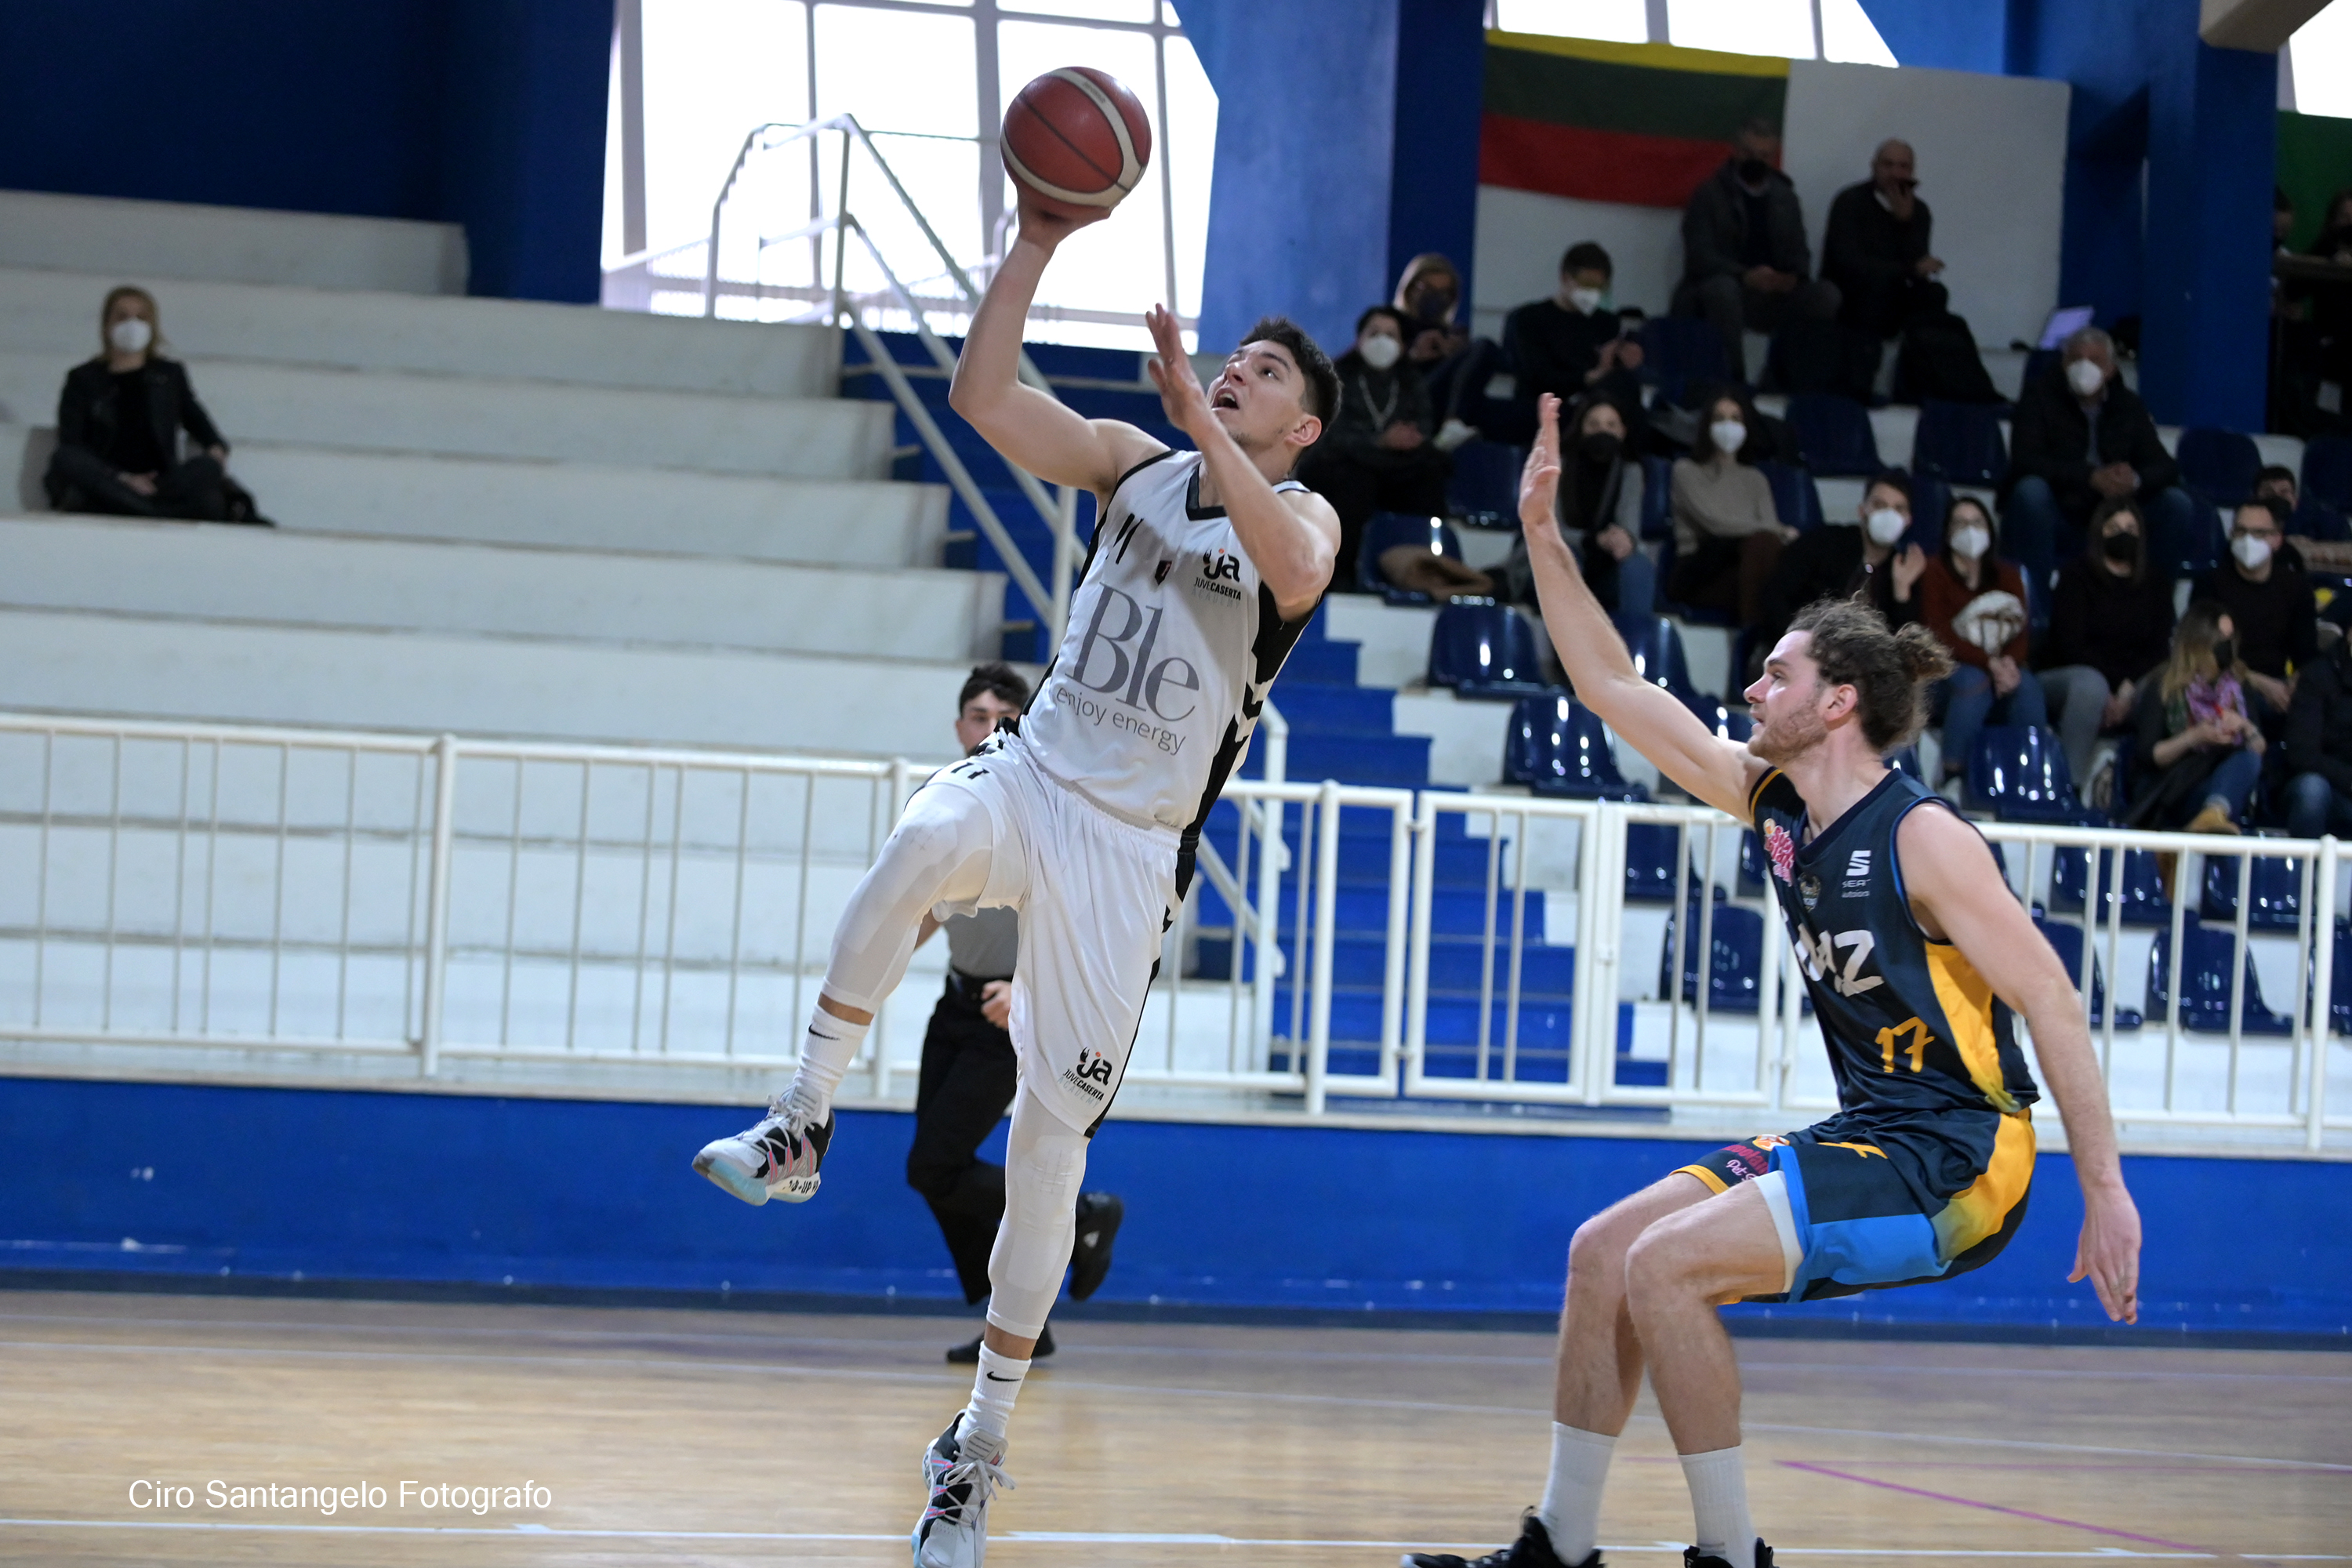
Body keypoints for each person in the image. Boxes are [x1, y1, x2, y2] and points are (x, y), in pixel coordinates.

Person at [689, 183, 1343, 1568]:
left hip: (1134, 855)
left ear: (1302, 429)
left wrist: (1199, 420)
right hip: (1040, 777)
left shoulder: (1306, 513)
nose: (1233, 373)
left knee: (1049, 1152)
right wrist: (1037, 241)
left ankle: (974, 1449)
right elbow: (985, 393)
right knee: (926, 839)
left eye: (1262, 375)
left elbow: (1285, 567)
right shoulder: (1130, 464)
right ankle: (802, 1119)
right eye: (1229, 360)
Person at [1405, 390, 2140, 1568]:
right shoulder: (1777, 800)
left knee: (1667, 1267)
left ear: (1838, 702)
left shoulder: (1926, 841)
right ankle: (1562, 1545)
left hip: (1963, 1158)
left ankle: (1733, 1558)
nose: (1751, 693)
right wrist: (1541, 533)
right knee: (1605, 1252)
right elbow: (1613, 689)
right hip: (1869, 1130)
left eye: (1775, 676)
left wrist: (2104, 1191)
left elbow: (2051, 998)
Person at [906, 662, 1125, 1366]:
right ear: (959, 725)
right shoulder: (943, 800)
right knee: (933, 1175)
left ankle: (1076, 1214)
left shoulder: (1048, 811)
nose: (988, 725)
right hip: (957, 1003)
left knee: (933, 1164)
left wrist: (1025, 991)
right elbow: (924, 904)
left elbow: (1083, 923)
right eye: (977, 713)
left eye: (1005, 714)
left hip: (1014, 1009)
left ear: (1024, 727)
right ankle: (1025, 1323)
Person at [2001, 325, 2191, 599]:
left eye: (2095, 360)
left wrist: (2133, 480)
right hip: (2061, 513)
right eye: (2076, 358)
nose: (2084, 366)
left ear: (2111, 369)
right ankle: (2036, 608)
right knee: (2030, 493)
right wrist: (2090, 477)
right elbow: (2026, 460)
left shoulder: (2128, 405)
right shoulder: (2038, 398)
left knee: (2176, 504)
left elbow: (2165, 465)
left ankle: (2157, 603)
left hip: (2116, 517)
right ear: (2064, 363)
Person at [1671, 118, 1841, 385]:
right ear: (1736, 152)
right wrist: (1745, 276)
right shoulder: (1710, 194)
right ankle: (1733, 380)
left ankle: (1790, 379)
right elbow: (1700, 256)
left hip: (1773, 294)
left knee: (1825, 295)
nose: (1756, 161)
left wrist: (1793, 278)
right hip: (1723, 291)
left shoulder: (1786, 197)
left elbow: (1800, 252)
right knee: (1723, 290)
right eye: (1749, 153)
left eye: (1764, 155)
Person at [44, 285, 236, 522]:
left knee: (208, 468)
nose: (132, 324)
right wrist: (123, 478)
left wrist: (216, 448)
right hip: (111, 480)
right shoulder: (83, 378)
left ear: (152, 326)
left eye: (141, 317)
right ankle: (157, 511)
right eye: (122, 317)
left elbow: (197, 421)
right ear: (107, 325)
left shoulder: (169, 375)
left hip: (162, 483)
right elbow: (71, 442)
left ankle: (141, 506)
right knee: (65, 458)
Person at [1893, 495, 2044, 788]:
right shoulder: (1935, 571)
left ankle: (2029, 779)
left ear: (1989, 528)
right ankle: (1952, 778)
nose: (1969, 529)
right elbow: (1936, 634)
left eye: (1976, 522)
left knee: (2027, 686)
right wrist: (1990, 663)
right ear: (1948, 533)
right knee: (1973, 680)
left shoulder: (2008, 575)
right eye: (1960, 523)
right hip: (1944, 675)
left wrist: (2009, 664)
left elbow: (2019, 629)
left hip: (1999, 671)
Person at [1298, 305, 1451, 590]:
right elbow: (1328, 433)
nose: (1383, 341)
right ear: (1359, 339)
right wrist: (1379, 441)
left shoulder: (1410, 381)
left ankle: (1423, 570)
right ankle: (1339, 575)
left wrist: (1411, 439)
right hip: (1345, 463)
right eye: (1375, 333)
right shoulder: (1335, 378)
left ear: (1403, 345)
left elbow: (1424, 426)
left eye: (1391, 335)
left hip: (1397, 465)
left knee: (1428, 476)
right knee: (1354, 483)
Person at [2036, 495, 2177, 792]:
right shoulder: (2075, 576)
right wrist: (2110, 690)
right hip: (2073, 676)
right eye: (2113, 527)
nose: (2123, 534)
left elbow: (2158, 649)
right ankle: (2067, 787)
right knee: (2091, 685)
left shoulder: (2157, 582)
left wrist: (2126, 690)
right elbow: (2070, 646)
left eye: (2130, 527)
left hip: (2132, 684)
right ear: (2099, 533)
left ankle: (2147, 789)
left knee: (2167, 679)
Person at [2124, 602, 2269, 835]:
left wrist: (2244, 725)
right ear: (2198, 642)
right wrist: (2195, 736)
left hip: (2218, 783)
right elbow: (2150, 755)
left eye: (2230, 639)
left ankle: (2212, 815)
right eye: (2220, 638)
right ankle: (2210, 817)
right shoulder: (2164, 684)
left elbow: (2259, 747)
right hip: (2173, 786)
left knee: (2248, 759)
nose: (2226, 647)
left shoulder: (2238, 683)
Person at [1503, 392, 1652, 618]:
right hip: (1554, 555)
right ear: (1581, 429)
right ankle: (1568, 651)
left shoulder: (1631, 472)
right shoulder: (1555, 469)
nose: (1603, 431)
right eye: (1594, 424)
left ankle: (1632, 646)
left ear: (1622, 431)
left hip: (1604, 563)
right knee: (1567, 559)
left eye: (1611, 425)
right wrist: (1593, 540)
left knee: (1637, 567)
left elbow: (1630, 527)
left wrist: (1624, 540)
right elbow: (1550, 531)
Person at [1754, 469, 1916, 655]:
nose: (1889, 515)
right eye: (1880, 505)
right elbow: (1773, 596)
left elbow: (1902, 646)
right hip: (1798, 651)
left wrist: (1902, 591)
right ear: (1862, 511)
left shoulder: (1905, 568)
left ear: (1908, 521)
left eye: (1899, 509)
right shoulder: (1823, 543)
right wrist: (1799, 646)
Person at [1668, 389, 1790, 625]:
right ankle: (1760, 642)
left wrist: (1774, 531)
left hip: (1744, 565)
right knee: (1763, 550)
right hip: (1701, 568)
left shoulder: (1756, 478)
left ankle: (1760, 641)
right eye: (1720, 418)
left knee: (1769, 554)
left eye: (1735, 419)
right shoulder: (1686, 470)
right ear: (1707, 425)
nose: (1728, 426)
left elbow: (1767, 532)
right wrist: (1779, 529)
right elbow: (1713, 522)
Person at [2189, 496, 2317, 719]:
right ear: (2231, 535)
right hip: (2225, 684)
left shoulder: (2295, 586)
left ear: (2277, 539)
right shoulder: (2209, 584)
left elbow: (2306, 654)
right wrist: (2260, 683)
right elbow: (2202, 654)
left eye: (2259, 533)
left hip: (2279, 687)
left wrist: (2296, 684)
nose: (2248, 540)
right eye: (2241, 531)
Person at [1820, 139, 1948, 340]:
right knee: (1874, 292)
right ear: (1874, 167)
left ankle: (1921, 363)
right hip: (1854, 290)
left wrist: (1905, 222)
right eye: (1888, 165)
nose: (1896, 174)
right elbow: (1848, 263)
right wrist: (1908, 270)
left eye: (1903, 167)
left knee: (1935, 294)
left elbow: (1919, 264)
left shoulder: (1919, 211)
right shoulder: (1850, 201)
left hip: (1897, 291)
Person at [1502, 242, 1645, 410]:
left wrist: (1624, 361)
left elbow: (1611, 373)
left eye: (1599, 287)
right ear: (1565, 278)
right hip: (1543, 408)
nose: (1593, 293)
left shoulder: (1608, 323)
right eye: (1586, 285)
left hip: (1593, 407)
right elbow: (1537, 377)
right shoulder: (1530, 319)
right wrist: (1588, 378)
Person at [1394, 252, 1479, 448]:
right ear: (1411, 289)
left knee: (1483, 349)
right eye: (1428, 289)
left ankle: (1454, 425)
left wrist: (1457, 356)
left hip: (1443, 399)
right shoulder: (1392, 324)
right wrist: (1411, 356)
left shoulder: (1453, 333)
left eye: (1444, 293)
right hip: (1408, 395)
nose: (1436, 299)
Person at [2283, 628, 2352, 839]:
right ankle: (2308, 871)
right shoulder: (2318, 676)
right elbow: (2301, 753)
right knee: (2312, 790)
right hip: (2329, 787)